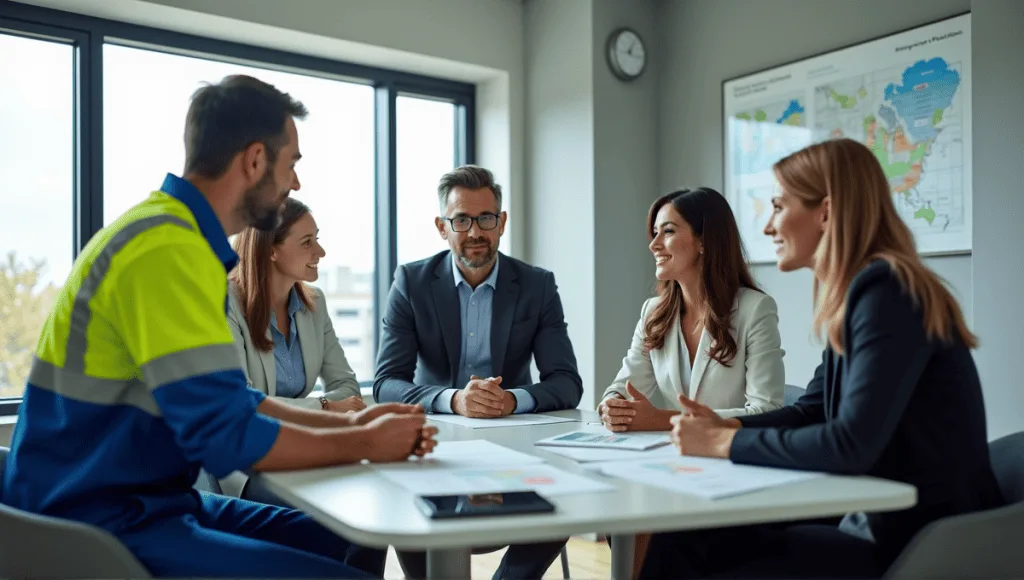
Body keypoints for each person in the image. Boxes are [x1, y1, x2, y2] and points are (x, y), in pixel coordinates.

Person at [0, 74, 437, 579]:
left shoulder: (174, 238)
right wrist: (364, 443)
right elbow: (226, 437)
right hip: (97, 521)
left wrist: (353, 423)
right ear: (255, 160)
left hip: (149, 502)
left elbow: (233, 400)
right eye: (292, 164)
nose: (295, 183)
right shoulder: (168, 250)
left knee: (343, 538)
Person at [640, 138, 1004, 579]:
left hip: (920, 542)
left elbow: (849, 443)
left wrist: (722, 444)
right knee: (683, 534)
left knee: (693, 547)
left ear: (826, 213)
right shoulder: (861, 292)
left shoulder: (886, 290)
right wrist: (725, 426)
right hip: (877, 520)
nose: (769, 227)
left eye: (778, 207)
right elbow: (811, 411)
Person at [374, 164, 577, 579]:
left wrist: (511, 400)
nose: (475, 232)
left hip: (516, 443)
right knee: (399, 497)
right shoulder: (411, 282)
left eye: (486, 218)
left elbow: (566, 381)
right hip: (437, 441)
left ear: (501, 222)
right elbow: (386, 382)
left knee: (571, 492)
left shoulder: (537, 285)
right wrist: (454, 400)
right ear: (441, 226)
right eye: (461, 220)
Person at [223, 196, 385, 575]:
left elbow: (346, 384)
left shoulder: (314, 303)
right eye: (307, 242)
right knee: (335, 521)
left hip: (303, 451)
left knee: (373, 510)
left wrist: (334, 407)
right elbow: (244, 401)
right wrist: (326, 410)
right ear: (272, 250)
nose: (321, 251)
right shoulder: (225, 302)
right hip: (247, 463)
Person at [599, 187, 785, 433]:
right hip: (673, 457)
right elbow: (622, 387)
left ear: (704, 241)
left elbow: (766, 412)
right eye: (655, 233)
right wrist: (611, 406)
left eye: (667, 231)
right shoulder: (652, 313)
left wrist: (664, 419)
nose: (654, 245)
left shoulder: (755, 309)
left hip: (732, 458)